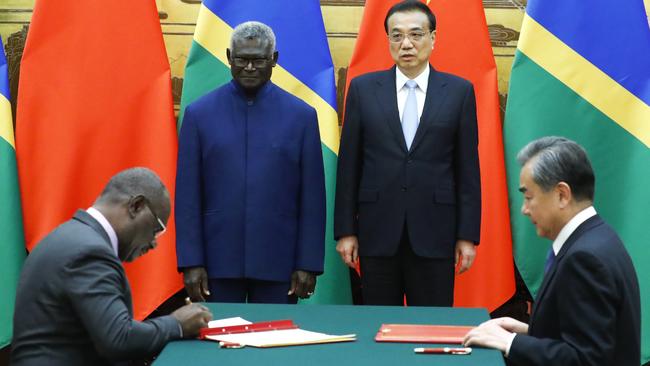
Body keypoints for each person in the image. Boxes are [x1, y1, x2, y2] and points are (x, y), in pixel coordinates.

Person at [334, 0, 481, 306]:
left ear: (433, 38)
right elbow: (349, 166)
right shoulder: (362, 89)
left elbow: (467, 170)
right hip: (378, 231)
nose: (407, 44)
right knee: (378, 327)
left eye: (416, 34)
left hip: (435, 232)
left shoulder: (459, 92)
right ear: (387, 40)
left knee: (432, 327)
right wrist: (346, 231)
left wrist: (467, 236)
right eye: (397, 36)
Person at [176, 21, 325, 304]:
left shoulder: (302, 117)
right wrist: (191, 262)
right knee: (218, 344)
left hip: (279, 262)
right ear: (229, 57)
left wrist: (308, 263)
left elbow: (312, 198)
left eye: (259, 60)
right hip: (216, 262)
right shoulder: (199, 115)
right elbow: (188, 197)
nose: (249, 67)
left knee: (275, 344)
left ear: (275, 60)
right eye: (242, 59)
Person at [464, 137, 641, 365]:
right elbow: (584, 337)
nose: (524, 209)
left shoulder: (585, 260)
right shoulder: (597, 238)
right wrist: (529, 332)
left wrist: (511, 343)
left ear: (561, 194)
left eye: (529, 197)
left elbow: (586, 360)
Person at [11, 168, 213, 366]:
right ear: (136, 206)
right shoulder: (89, 252)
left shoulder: (73, 236)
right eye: (157, 229)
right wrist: (177, 325)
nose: (153, 243)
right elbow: (118, 339)